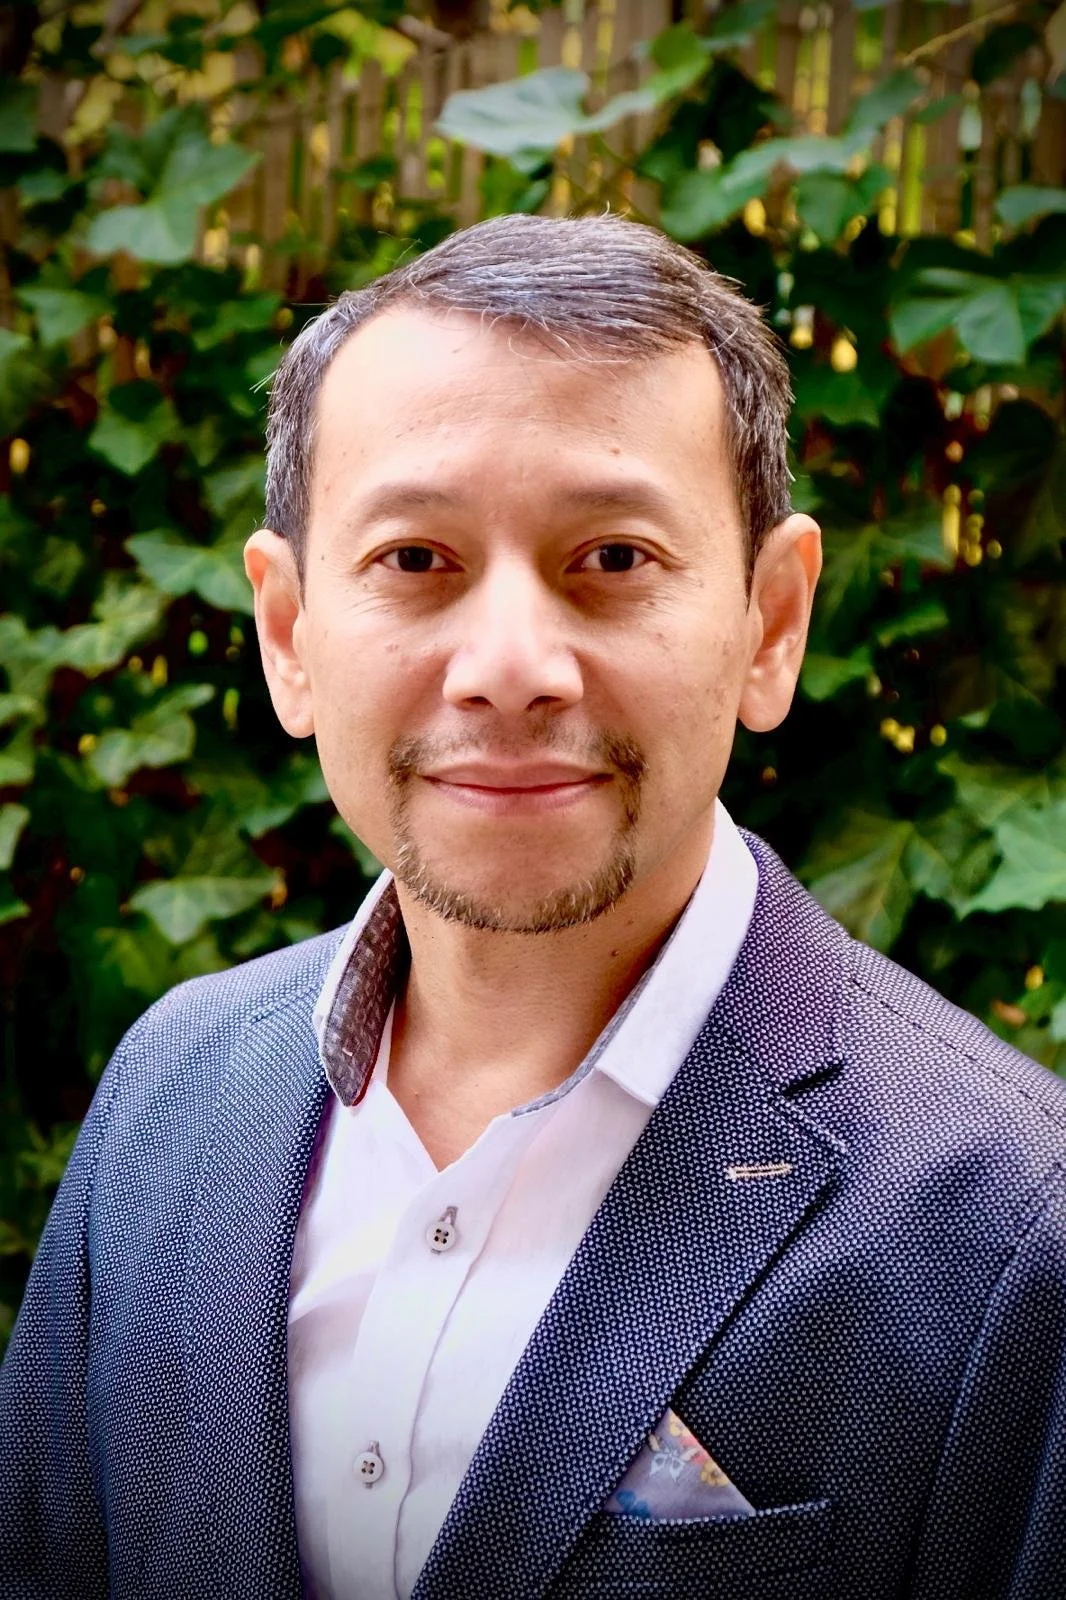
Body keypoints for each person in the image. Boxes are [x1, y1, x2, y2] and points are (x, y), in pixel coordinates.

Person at [2, 212, 1065, 1600]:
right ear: (287, 635)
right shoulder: (165, 1093)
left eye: (612, 558)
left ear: (771, 620)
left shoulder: (1007, 1232)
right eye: (415, 561)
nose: (509, 669)